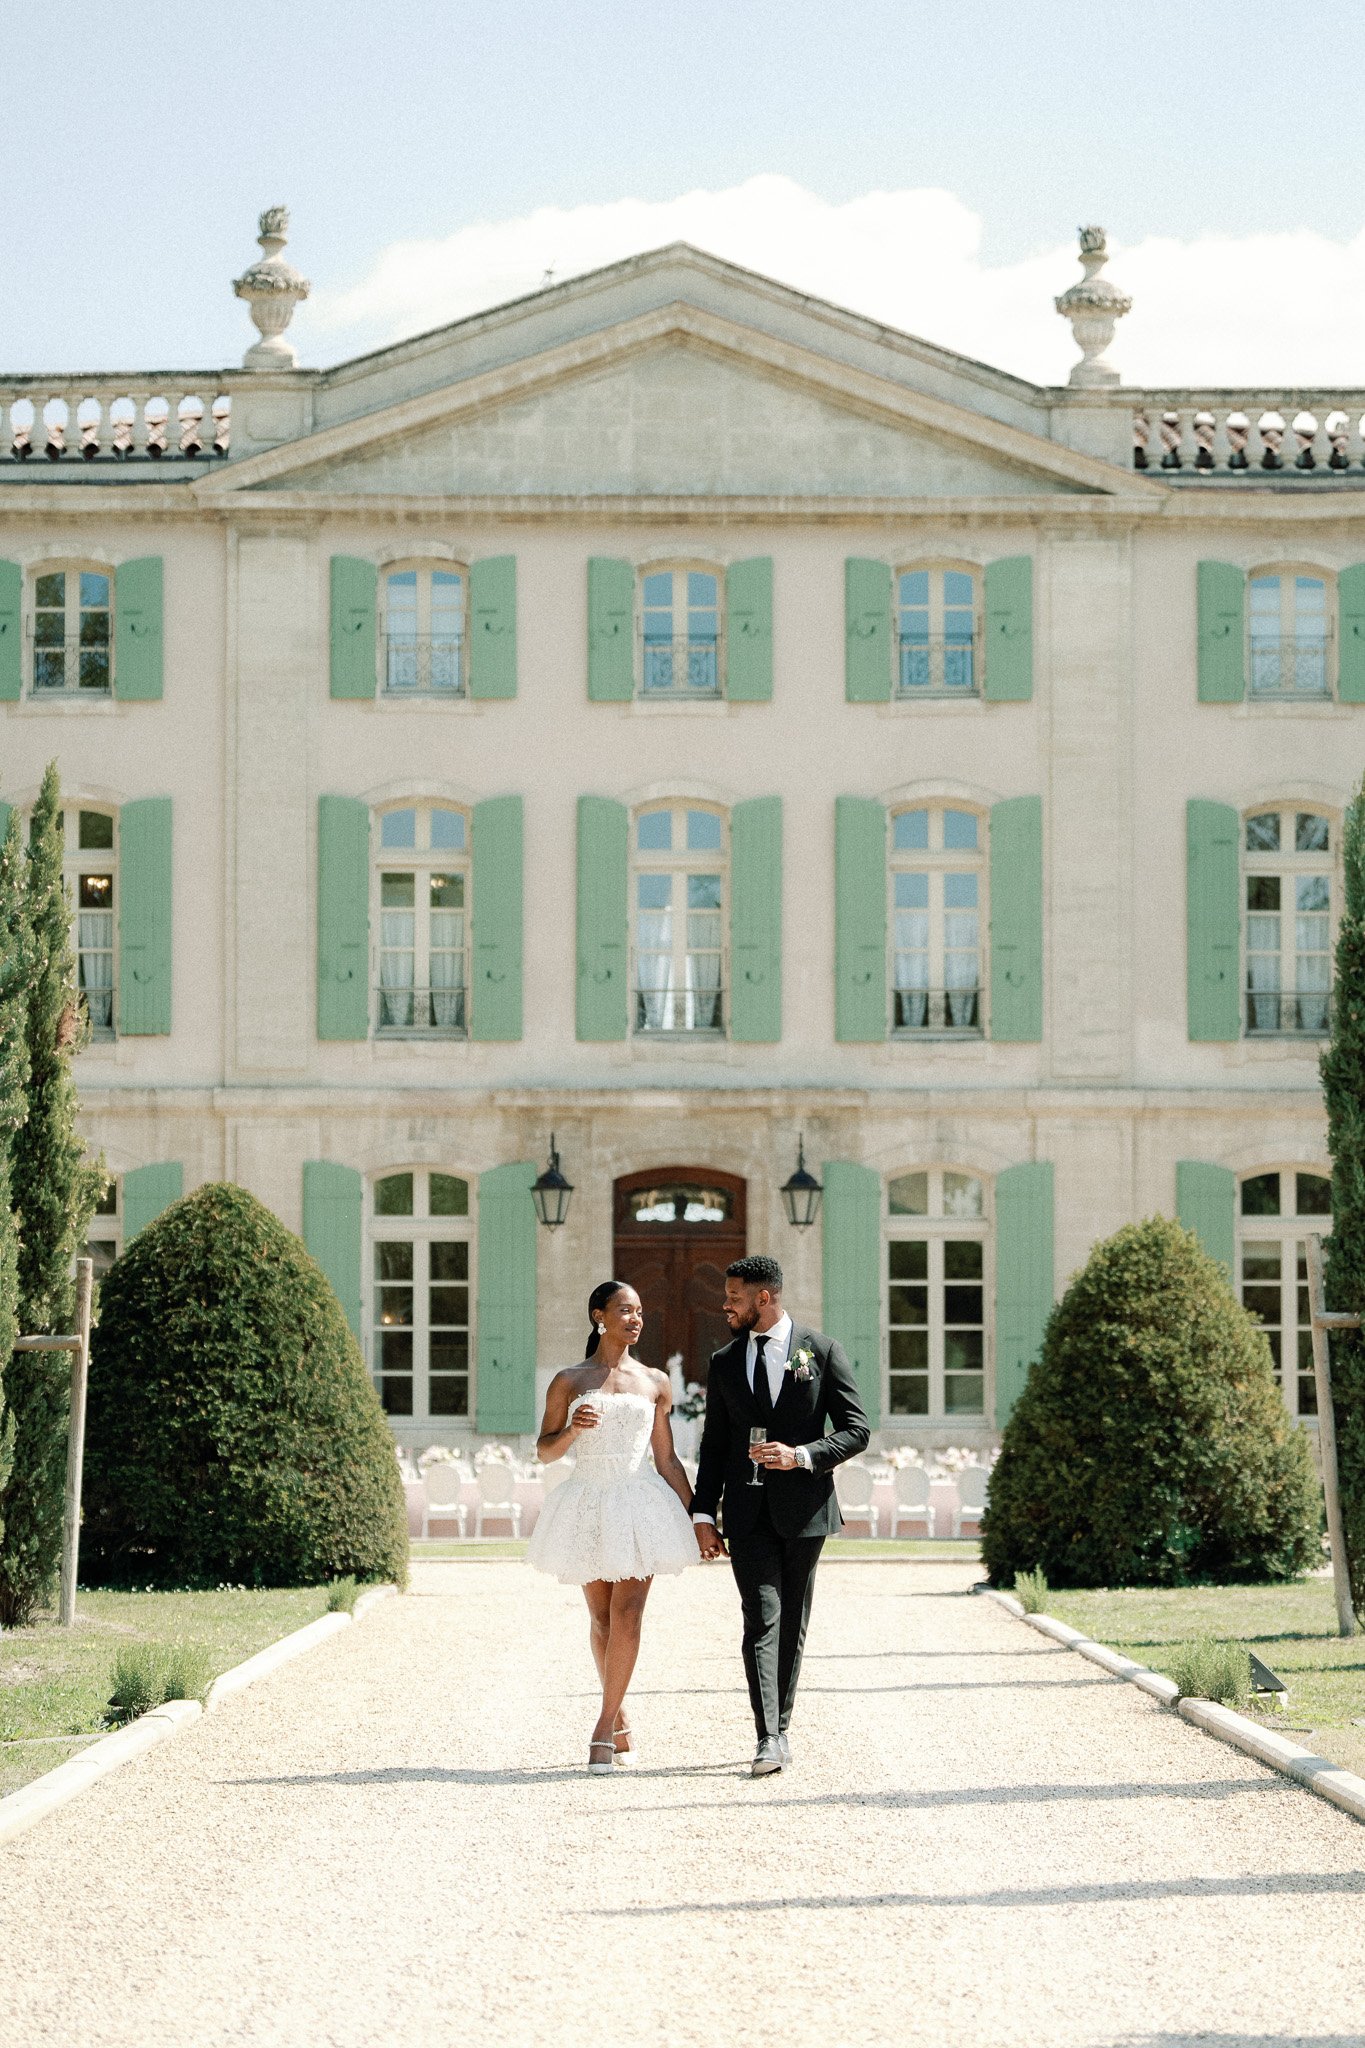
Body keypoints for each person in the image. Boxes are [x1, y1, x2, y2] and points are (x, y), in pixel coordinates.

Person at [691, 1254, 869, 1776]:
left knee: (792, 1619)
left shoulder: (822, 1350)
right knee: (760, 1616)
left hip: (805, 1509)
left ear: (764, 1298)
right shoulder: (724, 1361)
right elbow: (715, 1443)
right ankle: (768, 1736)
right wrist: (704, 1513)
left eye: (735, 1297)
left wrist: (803, 1455)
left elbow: (857, 1429)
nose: (726, 1305)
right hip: (744, 1513)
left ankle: (782, 1728)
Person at [528, 1280, 700, 1773]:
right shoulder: (569, 1380)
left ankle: (602, 1729)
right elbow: (544, 1451)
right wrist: (571, 1430)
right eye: (625, 1310)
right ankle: (619, 1713)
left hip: (639, 1501)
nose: (635, 1319)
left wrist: (699, 1517)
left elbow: (667, 1460)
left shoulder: (655, 1381)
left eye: (640, 1311)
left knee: (628, 1616)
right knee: (601, 1620)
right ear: (598, 1315)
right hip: (586, 1502)